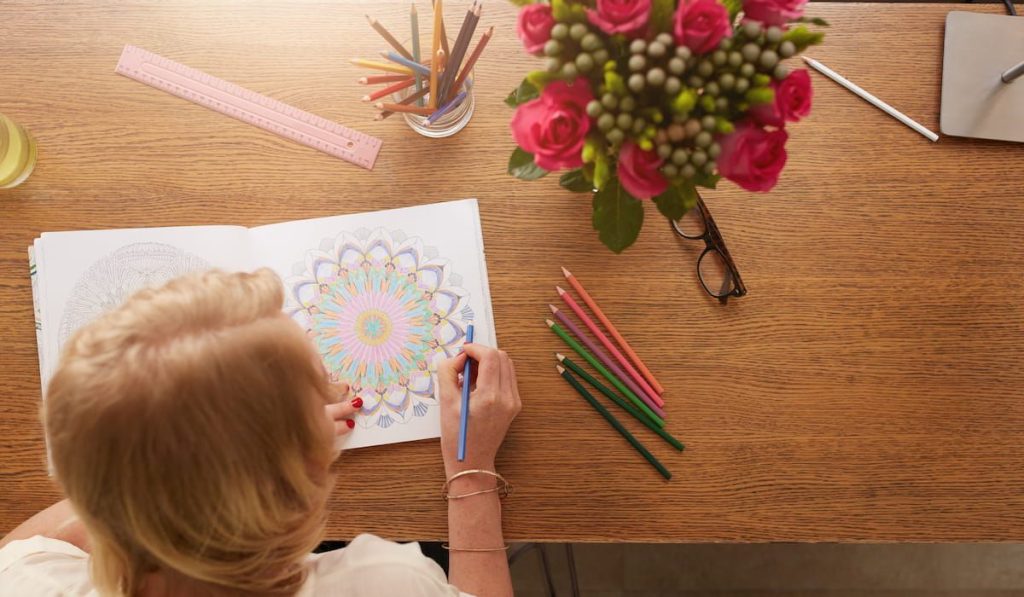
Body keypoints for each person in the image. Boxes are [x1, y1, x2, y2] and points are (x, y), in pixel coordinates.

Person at [0, 269, 521, 596]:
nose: (331, 385)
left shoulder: (31, 584)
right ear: (296, 476)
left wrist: (206, 450)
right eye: (317, 379)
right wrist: (471, 470)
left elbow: (21, 551)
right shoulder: (385, 580)